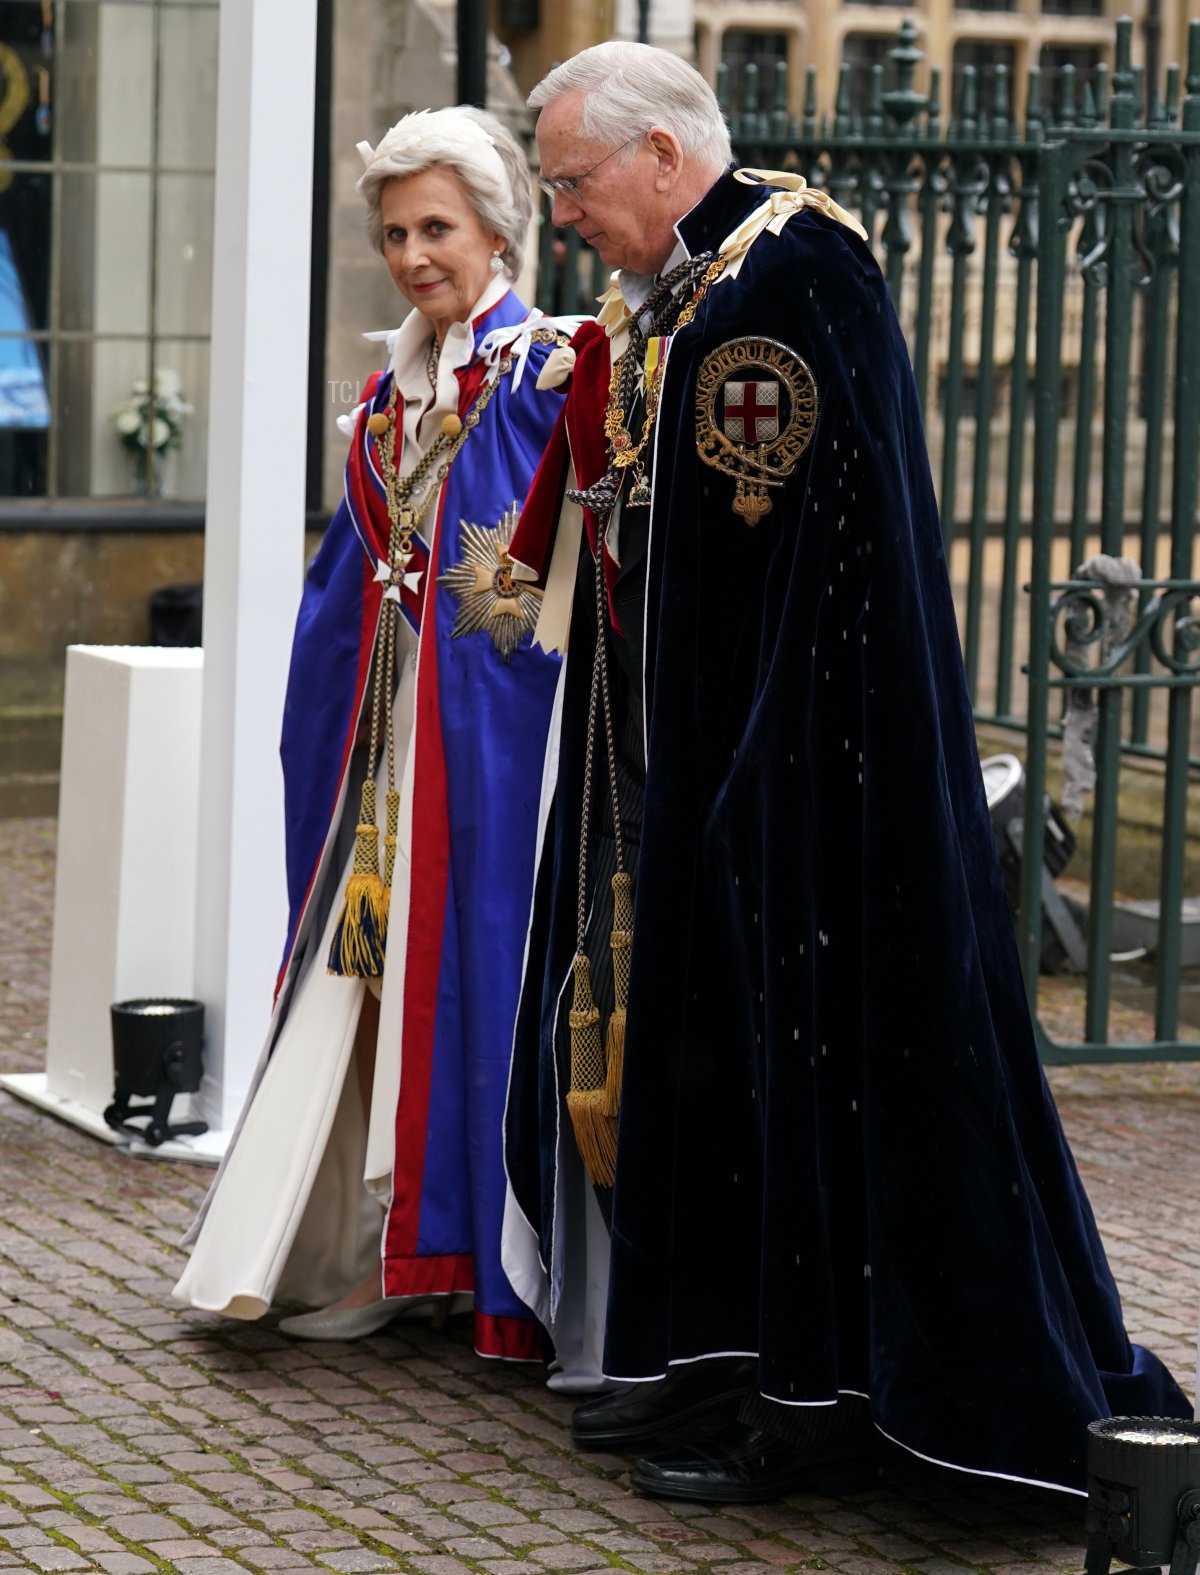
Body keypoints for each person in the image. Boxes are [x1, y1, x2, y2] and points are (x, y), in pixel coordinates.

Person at [501, 42, 1191, 1501]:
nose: (563, 212)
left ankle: (815, 1406)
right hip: (720, 763)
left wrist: (764, 782)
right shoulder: (700, 285)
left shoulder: (793, 278)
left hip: (813, 780)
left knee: (821, 1085)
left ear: (663, 157)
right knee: (727, 1073)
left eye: (572, 181)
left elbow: (834, 568)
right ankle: (735, 1364)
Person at [174, 105, 581, 1361]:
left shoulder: (540, 377)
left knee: (479, 982)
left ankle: (488, 1268)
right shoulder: (388, 394)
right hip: (390, 760)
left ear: (500, 228)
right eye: (395, 232)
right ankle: (392, 1247)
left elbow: (531, 598)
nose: (414, 256)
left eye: (437, 229)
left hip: (496, 764)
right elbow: (346, 587)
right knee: (372, 988)